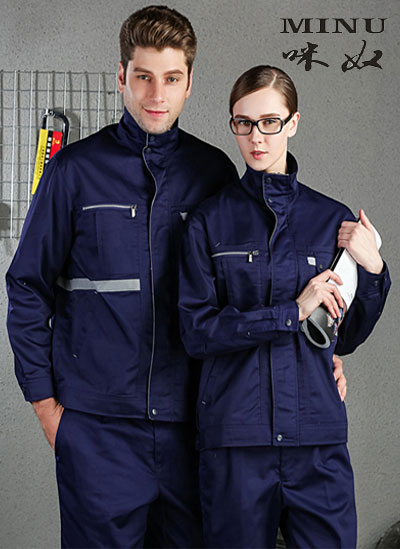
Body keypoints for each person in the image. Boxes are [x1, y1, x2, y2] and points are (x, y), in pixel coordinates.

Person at [6, 7, 346, 547]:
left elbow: (255, 287)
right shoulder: (73, 171)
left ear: (190, 83)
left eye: (171, 78)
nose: (156, 95)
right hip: (98, 429)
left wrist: (318, 357)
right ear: (122, 77)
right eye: (143, 77)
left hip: (195, 426)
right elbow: (27, 288)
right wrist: (47, 408)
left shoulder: (214, 174)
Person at [178, 65, 391, 549]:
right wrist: (290, 312)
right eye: (244, 122)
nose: (256, 137)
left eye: (270, 122)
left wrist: (374, 268)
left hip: (316, 439)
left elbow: (346, 335)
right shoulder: (209, 223)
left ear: (293, 123)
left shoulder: (330, 219)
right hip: (237, 441)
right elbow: (197, 331)